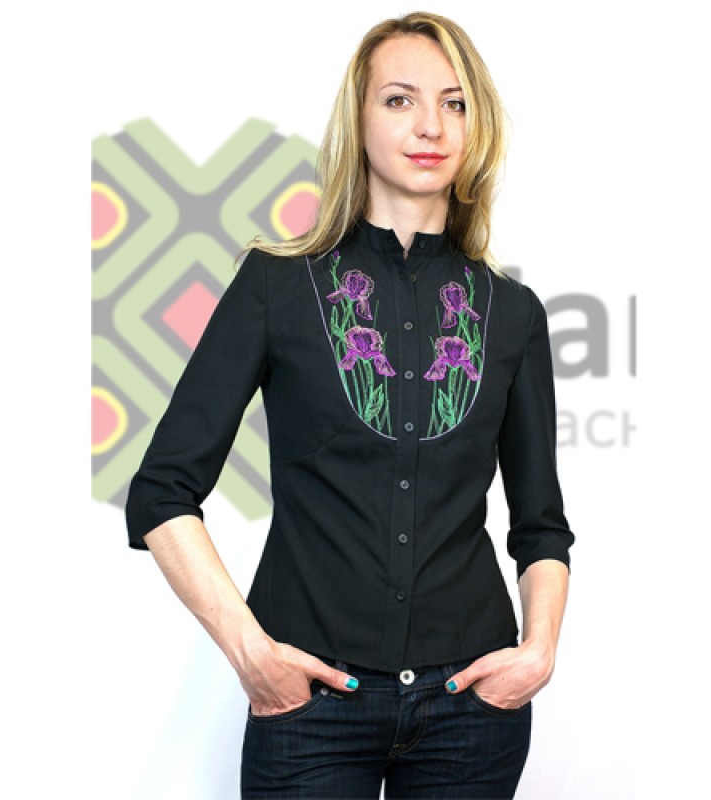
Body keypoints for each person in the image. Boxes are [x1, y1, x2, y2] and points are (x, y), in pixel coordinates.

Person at [126, 10, 575, 799]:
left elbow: (540, 525)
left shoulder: (512, 313)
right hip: (311, 708)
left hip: (471, 713)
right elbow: (162, 491)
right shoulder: (277, 285)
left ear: (477, 125)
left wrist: (538, 650)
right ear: (358, 120)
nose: (431, 125)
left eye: (455, 102)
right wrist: (249, 650)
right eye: (400, 99)